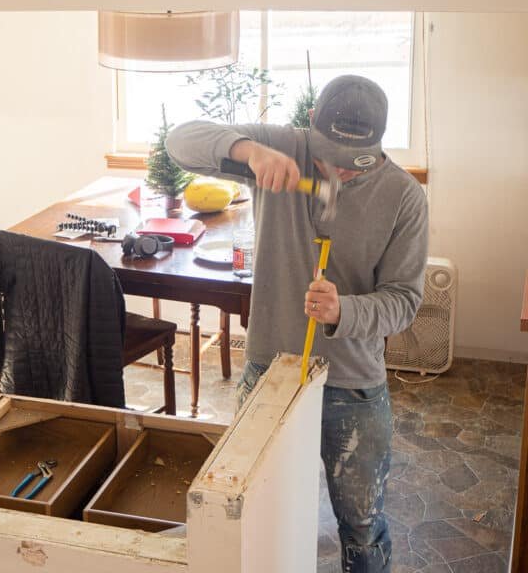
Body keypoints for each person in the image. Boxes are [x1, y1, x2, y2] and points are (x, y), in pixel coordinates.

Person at [166, 75, 428, 573]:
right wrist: (248, 152)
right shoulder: (281, 147)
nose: (342, 174)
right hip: (269, 370)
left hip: (353, 384)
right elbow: (180, 141)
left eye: (357, 165)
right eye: (333, 159)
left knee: (361, 526)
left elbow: (404, 300)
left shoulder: (404, 197)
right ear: (311, 125)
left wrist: (344, 311)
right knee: (256, 513)